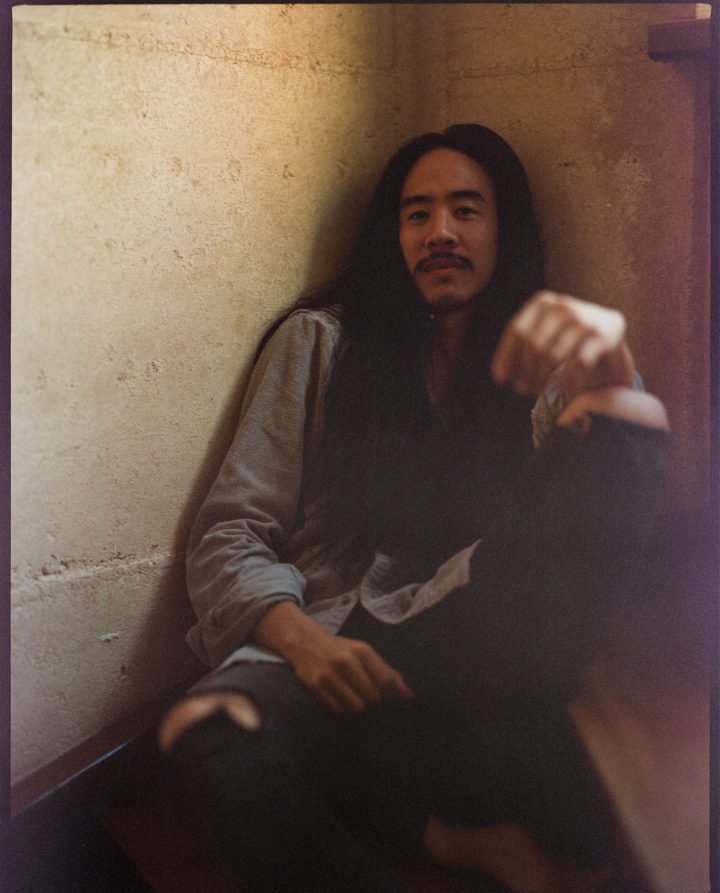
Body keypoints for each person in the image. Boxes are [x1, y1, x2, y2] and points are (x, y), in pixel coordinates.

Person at [158, 124, 669, 893]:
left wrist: (609, 373)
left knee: (615, 428)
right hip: (341, 645)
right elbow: (229, 531)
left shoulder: (542, 359)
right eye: (417, 213)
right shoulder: (320, 342)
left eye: (466, 210)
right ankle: (449, 830)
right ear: (391, 236)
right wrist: (304, 643)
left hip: (484, 655)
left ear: (503, 230)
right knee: (210, 730)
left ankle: (451, 823)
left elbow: (592, 511)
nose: (441, 232)